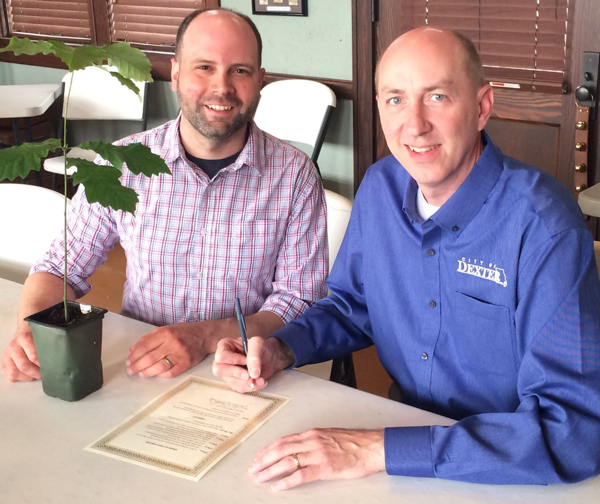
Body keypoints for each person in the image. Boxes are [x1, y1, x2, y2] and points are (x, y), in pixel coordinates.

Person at [213, 27, 600, 488]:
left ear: (481, 107)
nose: (414, 125)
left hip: (510, 469)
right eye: (395, 99)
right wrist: (282, 348)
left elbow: (572, 430)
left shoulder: (543, 227)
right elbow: (353, 306)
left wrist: (376, 448)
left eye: (436, 97)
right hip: (403, 444)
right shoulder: (380, 188)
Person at [2, 8, 327, 383]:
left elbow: (297, 300)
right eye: (203, 67)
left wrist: (205, 336)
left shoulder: (295, 176)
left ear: (259, 80)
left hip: (242, 369)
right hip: (142, 366)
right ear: (175, 74)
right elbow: (60, 267)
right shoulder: (122, 164)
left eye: (240, 70)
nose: (221, 87)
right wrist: (32, 329)